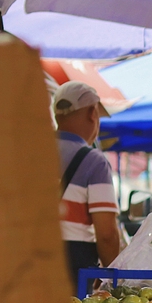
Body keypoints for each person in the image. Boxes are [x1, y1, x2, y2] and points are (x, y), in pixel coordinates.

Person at [55, 81, 120, 284]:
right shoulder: (94, 161)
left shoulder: (27, 152)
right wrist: (113, 281)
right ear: (93, 113)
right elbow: (106, 235)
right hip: (72, 271)